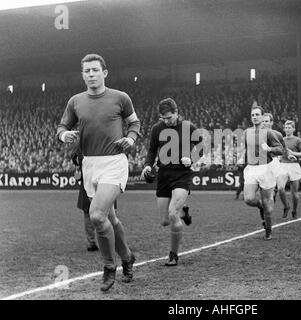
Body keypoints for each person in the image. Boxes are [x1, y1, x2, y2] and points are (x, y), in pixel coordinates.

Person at [56, 54, 140, 292]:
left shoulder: (120, 98)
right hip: (89, 165)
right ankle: (127, 258)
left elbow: (134, 123)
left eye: (95, 70)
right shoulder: (75, 101)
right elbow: (62, 126)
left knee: (96, 215)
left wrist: (130, 139)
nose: (91, 74)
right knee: (110, 218)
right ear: (82, 75)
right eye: (87, 71)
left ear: (104, 73)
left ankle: (109, 266)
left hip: (114, 163)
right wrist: (65, 135)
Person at [142, 98, 198, 266]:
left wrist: (192, 158)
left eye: (169, 117)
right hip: (164, 175)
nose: (166, 121)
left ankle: (173, 254)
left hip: (182, 175)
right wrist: (147, 166)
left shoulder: (189, 127)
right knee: (165, 220)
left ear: (176, 112)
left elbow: (203, 145)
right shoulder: (157, 129)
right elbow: (152, 150)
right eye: (163, 118)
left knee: (172, 213)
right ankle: (184, 211)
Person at [243, 106, 283, 240]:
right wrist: (241, 157)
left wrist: (270, 148)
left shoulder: (269, 133)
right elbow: (246, 148)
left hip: (266, 168)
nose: (254, 117)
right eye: (252, 115)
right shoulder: (246, 132)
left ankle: (268, 229)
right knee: (248, 199)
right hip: (251, 168)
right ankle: (260, 206)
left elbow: (280, 149)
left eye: (257, 115)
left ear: (261, 117)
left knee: (268, 204)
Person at [72, 147, 119, 252]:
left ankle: (93, 242)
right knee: (108, 213)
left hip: (94, 182)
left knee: (94, 214)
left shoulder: (83, 144)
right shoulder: (104, 142)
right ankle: (109, 241)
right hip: (103, 182)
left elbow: (75, 157)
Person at [277, 120, 301, 219]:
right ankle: (286, 206)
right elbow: (279, 152)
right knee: (280, 188)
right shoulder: (281, 140)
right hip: (283, 165)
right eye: (286, 128)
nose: (287, 129)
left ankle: (294, 210)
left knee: (294, 194)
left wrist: (293, 153)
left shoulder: (297, 140)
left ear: (293, 129)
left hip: (294, 166)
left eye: (289, 128)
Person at [262, 113, 285, 204]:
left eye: (266, 121)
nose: (264, 123)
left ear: (271, 123)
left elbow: (283, 149)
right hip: (263, 163)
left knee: (277, 188)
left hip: (274, 161)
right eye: (263, 121)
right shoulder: (258, 134)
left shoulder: (278, 134)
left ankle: (283, 203)